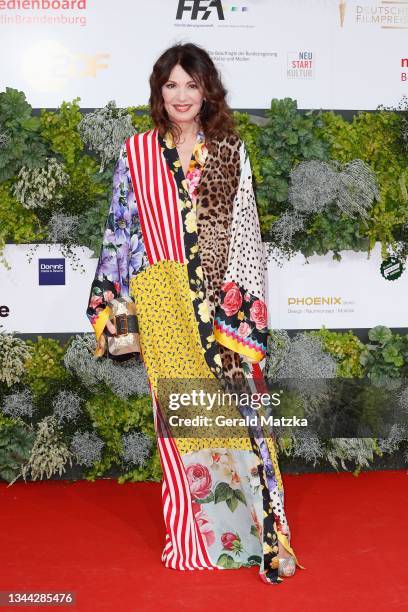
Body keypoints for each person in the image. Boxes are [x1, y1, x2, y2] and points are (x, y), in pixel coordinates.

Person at [86, 42, 304, 584]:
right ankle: (195, 542)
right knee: (180, 424)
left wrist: (237, 313)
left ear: (207, 90)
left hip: (221, 307)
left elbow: (246, 238)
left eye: (191, 84)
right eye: (171, 85)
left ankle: (266, 537)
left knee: (241, 420)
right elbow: (120, 233)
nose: (181, 95)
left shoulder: (229, 151)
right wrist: (116, 307)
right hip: (161, 304)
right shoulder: (136, 152)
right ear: (159, 92)